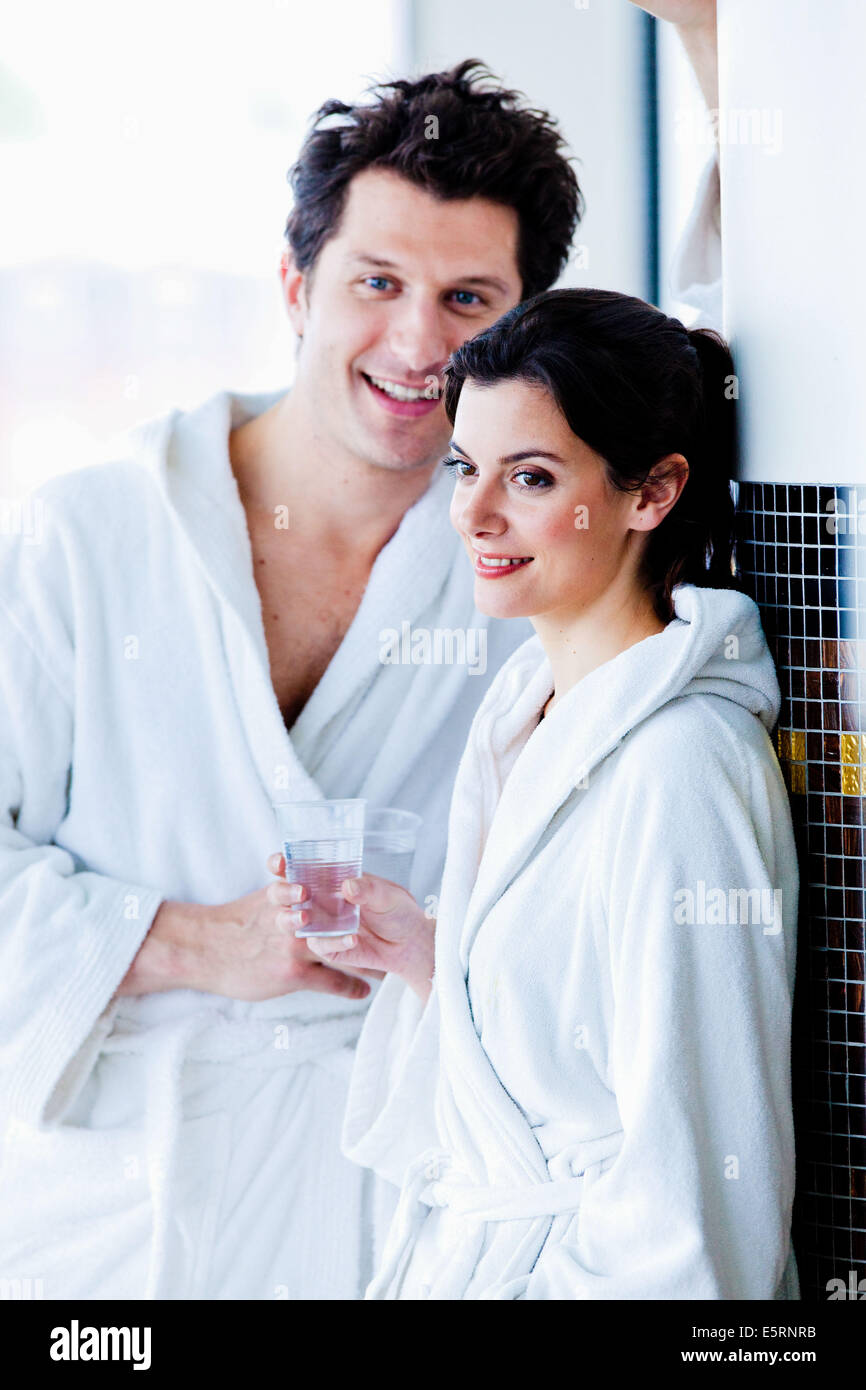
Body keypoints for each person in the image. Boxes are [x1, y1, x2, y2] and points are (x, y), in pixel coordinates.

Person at [0, 60, 577, 1301]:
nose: (418, 342)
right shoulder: (85, 539)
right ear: (293, 287)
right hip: (106, 1223)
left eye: (467, 298)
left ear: (523, 324)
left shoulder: (532, 582)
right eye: (377, 283)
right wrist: (195, 940)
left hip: (377, 1214)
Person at [293, 287, 800, 1300]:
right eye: (464, 466)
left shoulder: (676, 768)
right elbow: (555, 1068)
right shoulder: (528, 715)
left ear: (650, 492)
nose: (472, 514)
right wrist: (433, 957)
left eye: (527, 476)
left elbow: (696, 1214)